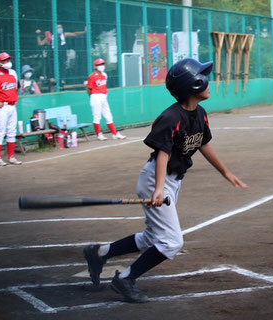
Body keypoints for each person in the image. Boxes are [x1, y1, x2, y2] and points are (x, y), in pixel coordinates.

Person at [83, 58, 248, 303]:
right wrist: (159, 189)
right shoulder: (171, 117)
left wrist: (225, 172)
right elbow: (163, 153)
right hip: (155, 179)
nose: (209, 82)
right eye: (203, 78)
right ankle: (125, 279)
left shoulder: (199, 114)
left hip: (171, 180)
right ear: (193, 85)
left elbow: (203, 143)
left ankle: (100, 252)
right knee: (172, 241)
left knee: (152, 237)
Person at [86, 58, 126, 140]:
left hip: (104, 97)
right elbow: (89, 88)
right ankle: (99, 135)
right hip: (95, 96)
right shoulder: (92, 76)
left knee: (108, 115)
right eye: (99, 65)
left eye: (102, 64)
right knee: (97, 116)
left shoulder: (104, 75)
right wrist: (92, 96)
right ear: (95, 66)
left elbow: (104, 86)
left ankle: (115, 133)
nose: (101, 66)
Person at [0, 52, 22, 166]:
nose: (8, 62)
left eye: (8, 60)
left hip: (12, 106)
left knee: (11, 132)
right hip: (2, 107)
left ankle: (11, 157)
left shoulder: (13, 73)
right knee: (0, 132)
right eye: (5, 60)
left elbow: (16, 87)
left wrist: (14, 99)